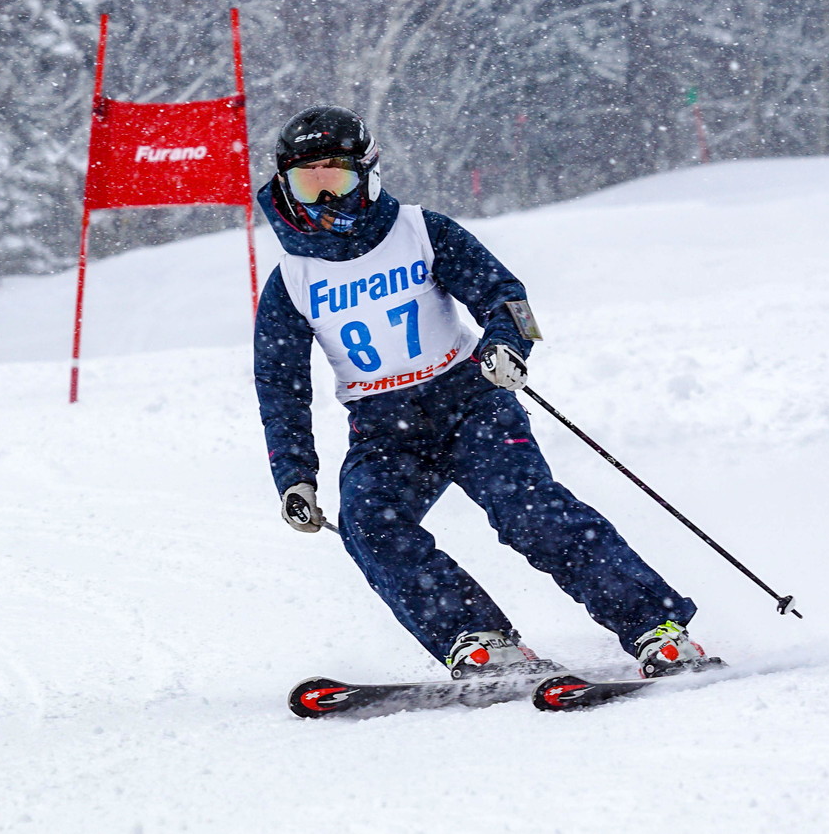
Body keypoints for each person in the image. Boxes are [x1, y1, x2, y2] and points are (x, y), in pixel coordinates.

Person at [253, 105, 705, 678]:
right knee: (368, 522)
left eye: (335, 179)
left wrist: (509, 346)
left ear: (365, 174)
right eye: (306, 182)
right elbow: (278, 385)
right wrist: (294, 475)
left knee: (528, 512)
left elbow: (509, 298)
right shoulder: (291, 278)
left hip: (470, 401)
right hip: (382, 428)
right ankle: (478, 636)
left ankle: (656, 627)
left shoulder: (422, 230)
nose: (323, 200)